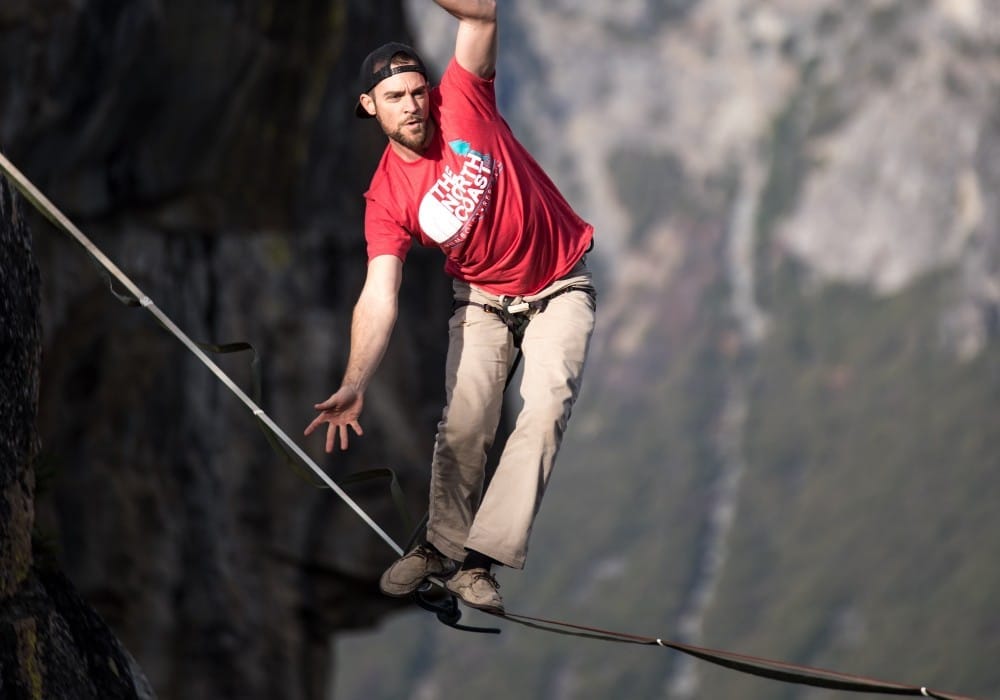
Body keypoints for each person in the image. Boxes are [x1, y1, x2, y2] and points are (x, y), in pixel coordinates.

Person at [304, 0, 596, 614]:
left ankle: (481, 563)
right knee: (464, 425)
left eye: (416, 90)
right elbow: (379, 294)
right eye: (394, 97)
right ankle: (440, 549)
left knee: (545, 410)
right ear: (370, 107)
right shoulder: (385, 197)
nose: (411, 105)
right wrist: (356, 380)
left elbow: (483, 13)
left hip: (561, 285)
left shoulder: (463, 98)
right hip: (483, 299)